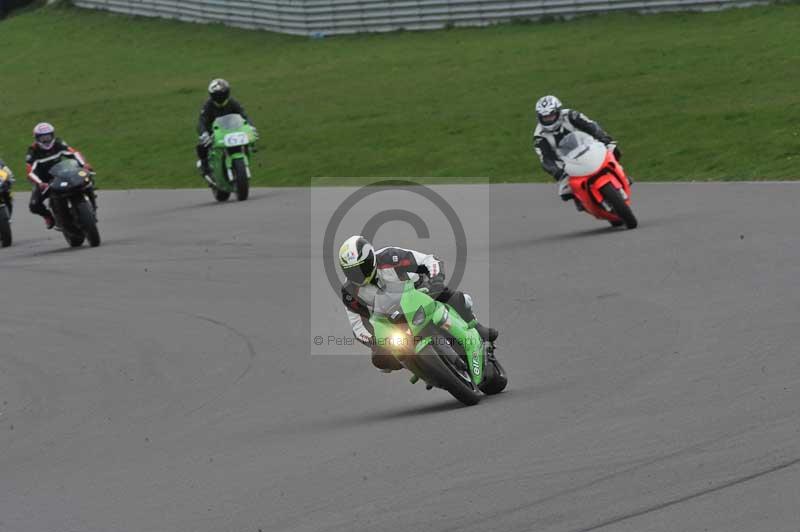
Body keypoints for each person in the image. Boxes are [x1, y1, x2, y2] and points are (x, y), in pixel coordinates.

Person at [338, 235, 498, 372]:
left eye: (362, 267)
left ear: (371, 259)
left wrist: (436, 280)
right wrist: (374, 342)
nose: (358, 275)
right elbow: (358, 327)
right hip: (392, 321)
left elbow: (430, 260)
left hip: (419, 293)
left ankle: (477, 327)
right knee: (381, 361)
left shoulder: (390, 257)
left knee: (452, 296)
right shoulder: (350, 292)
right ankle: (422, 369)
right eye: (352, 271)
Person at [532, 95, 626, 208]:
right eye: (545, 117)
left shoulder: (571, 115)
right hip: (565, 162)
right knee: (565, 192)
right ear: (539, 118)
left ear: (558, 112)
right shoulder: (539, 136)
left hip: (587, 148)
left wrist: (604, 138)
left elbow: (591, 126)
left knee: (613, 149)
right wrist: (557, 172)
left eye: (551, 115)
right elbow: (545, 159)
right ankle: (581, 200)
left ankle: (621, 175)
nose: (549, 119)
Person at [25, 122, 94, 229]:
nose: (46, 140)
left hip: (62, 174)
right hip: (44, 181)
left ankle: (91, 202)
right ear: (37, 139)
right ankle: (49, 217)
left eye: (48, 137)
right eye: (43, 138)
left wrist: (84, 164)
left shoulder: (59, 143)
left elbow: (74, 153)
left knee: (87, 179)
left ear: (53, 135)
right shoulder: (32, 151)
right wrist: (40, 183)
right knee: (34, 205)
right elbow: (30, 171)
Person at [196, 78, 257, 184]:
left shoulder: (233, 102)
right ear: (212, 95)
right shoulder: (208, 105)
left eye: (222, 94)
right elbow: (202, 121)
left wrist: (250, 127)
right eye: (217, 95)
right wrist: (204, 133)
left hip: (234, 130)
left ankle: (243, 160)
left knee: (247, 142)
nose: (220, 97)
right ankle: (205, 168)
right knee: (201, 146)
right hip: (215, 132)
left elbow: (244, 115)